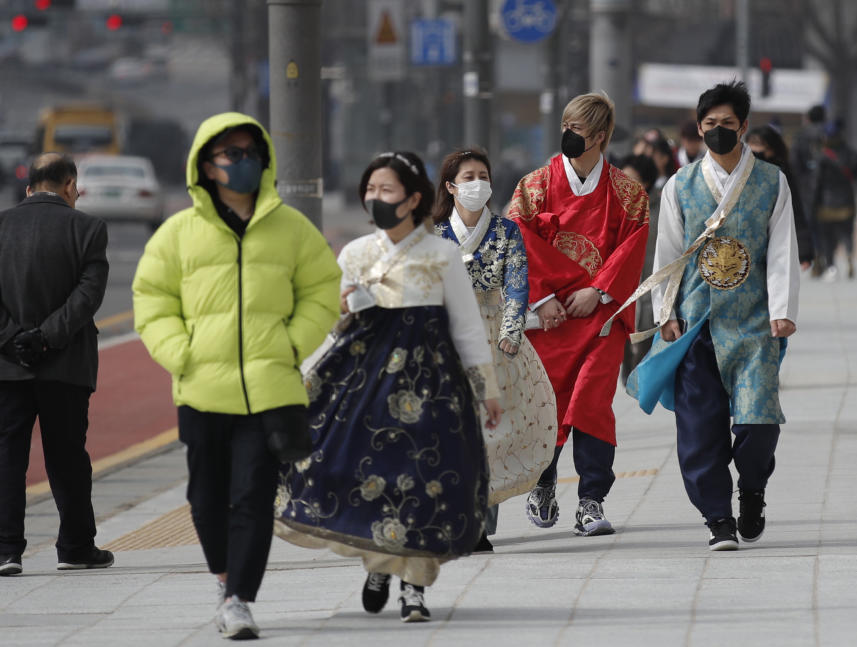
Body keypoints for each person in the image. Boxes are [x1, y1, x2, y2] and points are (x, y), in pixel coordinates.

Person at [133, 112, 341, 640]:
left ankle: (239, 599)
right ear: (207, 165)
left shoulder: (292, 227)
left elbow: (323, 290)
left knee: (253, 496)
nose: (243, 162)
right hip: (202, 389)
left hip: (270, 390)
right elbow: (152, 299)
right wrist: (182, 353)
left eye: (251, 153)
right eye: (232, 155)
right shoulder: (178, 232)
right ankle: (223, 579)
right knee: (206, 498)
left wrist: (292, 344)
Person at [274, 151, 504, 624]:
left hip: (431, 383)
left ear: (414, 198)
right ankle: (379, 563)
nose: (375, 199)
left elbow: (465, 327)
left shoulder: (441, 255)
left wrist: (488, 388)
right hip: (364, 384)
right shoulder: (355, 254)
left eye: (386, 190)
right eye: (371, 190)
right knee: (366, 473)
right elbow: (334, 326)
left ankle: (414, 588)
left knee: (424, 480)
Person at [627, 81, 800, 551]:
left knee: (758, 423)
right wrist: (665, 312)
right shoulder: (679, 187)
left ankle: (752, 489)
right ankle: (717, 517)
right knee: (699, 427)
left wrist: (783, 311)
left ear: (744, 127)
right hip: (696, 324)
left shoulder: (771, 181)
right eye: (710, 125)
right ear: (699, 130)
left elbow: (782, 250)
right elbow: (666, 253)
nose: (718, 132)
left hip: (754, 322)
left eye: (727, 124)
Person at [507, 92, 649, 537]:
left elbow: (632, 249)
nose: (568, 136)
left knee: (591, 403)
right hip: (549, 318)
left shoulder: (627, 193)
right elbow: (517, 242)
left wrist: (600, 290)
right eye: (565, 128)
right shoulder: (534, 187)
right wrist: (541, 296)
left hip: (600, 317)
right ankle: (543, 481)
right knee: (546, 402)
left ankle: (591, 499)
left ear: (601, 137)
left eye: (578, 131)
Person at [433, 148, 557, 553]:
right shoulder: (433, 235)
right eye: (467, 177)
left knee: (491, 434)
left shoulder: (507, 232)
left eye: (482, 175)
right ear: (451, 187)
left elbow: (517, 286)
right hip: (446, 339)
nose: (477, 183)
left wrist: (510, 332)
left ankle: (480, 524)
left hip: (494, 338)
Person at [0, 153, 112, 577]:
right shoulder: (87, 228)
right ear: (70, 186)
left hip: (6, 366)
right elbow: (88, 295)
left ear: (29, 187)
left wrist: (11, 339)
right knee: (66, 455)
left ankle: (6, 550)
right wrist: (48, 337)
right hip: (66, 364)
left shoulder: (1, 224)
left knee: (7, 454)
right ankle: (75, 546)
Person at [746, 125, 815, 268]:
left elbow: (796, 211)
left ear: (772, 148)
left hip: (775, 242)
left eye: (759, 145)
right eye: (751, 144)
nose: (754, 150)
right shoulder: (740, 172)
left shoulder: (782, 175)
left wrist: (804, 251)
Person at [811, 120, 857, 280]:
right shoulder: (854, 155)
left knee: (827, 237)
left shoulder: (822, 157)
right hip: (847, 203)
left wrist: (812, 204)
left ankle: (831, 266)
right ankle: (850, 257)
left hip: (826, 204)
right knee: (847, 233)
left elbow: (816, 183)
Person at [619, 154, 661, 382]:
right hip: (624, 286)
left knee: (646, 326)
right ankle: (629, 372)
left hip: (651, 281)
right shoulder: (616, 209)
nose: (622, 183)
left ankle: (640, 376)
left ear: (645, 182)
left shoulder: (660, 208)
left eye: (629, 179)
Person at [790, 105, 826, 273]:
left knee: (809, 223)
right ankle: (826, 256)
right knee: (826, 226)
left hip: (805, 187)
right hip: (829, 188)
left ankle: (813, 257)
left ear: (808, 118)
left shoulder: (801, 136)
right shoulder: (831, 134)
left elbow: (794, 163)